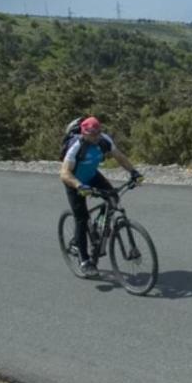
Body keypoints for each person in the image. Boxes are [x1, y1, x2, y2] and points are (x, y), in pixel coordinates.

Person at [59, 116, 142, 276]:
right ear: (84, 133)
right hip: (74, 181)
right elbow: (64, 173)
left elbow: (119, 157)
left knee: (113, 197)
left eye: (98, 133)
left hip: (91, 176)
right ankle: (84, 261)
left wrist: (133, 172)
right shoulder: (76, 146)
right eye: (92, 135)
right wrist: (79, 186)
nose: (96, 137)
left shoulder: (104, 140)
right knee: (81, 220)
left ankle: (98, 225)